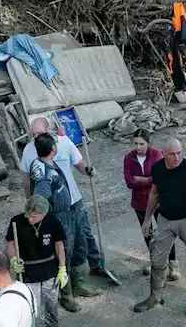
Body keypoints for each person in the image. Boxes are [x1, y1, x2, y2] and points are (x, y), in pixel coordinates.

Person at [20, 117, 118, 287]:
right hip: (54, 208)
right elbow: (26, 180)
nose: (36, 137)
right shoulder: (30, 151)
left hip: (74, 199)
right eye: (33, 134)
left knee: (85, 234)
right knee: (63, 242)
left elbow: (79, 162)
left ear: (49, 129)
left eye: (39, 133)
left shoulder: (64, 143)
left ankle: (96, 265)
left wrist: (87, 170)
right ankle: (65, 282)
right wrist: (31, 203)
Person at [133, 137, 186, 316]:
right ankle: (155, 297)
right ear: (163, 154)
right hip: (165, 220)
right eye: (172, 154)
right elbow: (154, 194)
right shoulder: (157, 168)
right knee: (157, 258)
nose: (176, 157)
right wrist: (148, 218)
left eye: (179, 153)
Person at [29, 132, 103, 307]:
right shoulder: (43, 174)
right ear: (53, 148)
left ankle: (79, 284)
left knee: (80, 247)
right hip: (59, 218)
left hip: (70, 213)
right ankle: (67, 295)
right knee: (64, 256)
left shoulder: (46, 163)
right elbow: (40, 198)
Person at [3, 196, 69, 327]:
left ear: (44, 214)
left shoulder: (52, 221)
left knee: (51, 307)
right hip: (28, 272)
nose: (29, 218)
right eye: (28, 214)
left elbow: (59, 245)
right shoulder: (17, 221)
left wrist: (62, 268)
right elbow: (10, 244)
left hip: (49, 271)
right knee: (32, 311)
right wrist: (13, 259)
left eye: (34, 216)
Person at [122, 129, 176, 280]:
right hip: (140, 202)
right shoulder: (128, 158)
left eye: (141, 144)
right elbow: (129, 181)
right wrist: (150, 180)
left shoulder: (158, 155)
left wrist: (142, 180)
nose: (138, 147)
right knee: (148, 232)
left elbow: (163, 176)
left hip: (160, 200)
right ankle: (156, 262)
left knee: (166, 231)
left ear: (148, 143)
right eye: (135, 144)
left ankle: (173, 264)